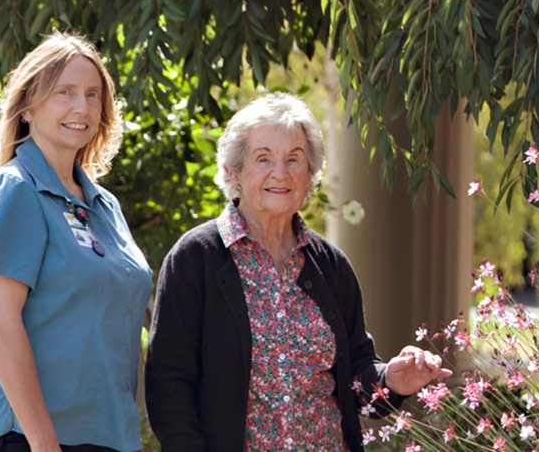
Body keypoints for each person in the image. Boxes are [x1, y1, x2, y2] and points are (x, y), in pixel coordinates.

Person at [143, 93, 452, 452]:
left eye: (294, 159)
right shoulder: (195, 259)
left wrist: (391, 380)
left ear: (310, 174)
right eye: (263, 159)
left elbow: (357, 376)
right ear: (233, 171)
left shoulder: (330, 266)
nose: (281, 172)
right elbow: (168, 387)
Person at [0, 32, 155, 452]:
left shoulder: (105, 207)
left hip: (109, 437)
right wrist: (45, 446)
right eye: (64, 92)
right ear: (28, 106)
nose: (81, 107)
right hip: (28, 439)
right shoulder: (16, 189)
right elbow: (0, 323)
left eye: (92, 94)